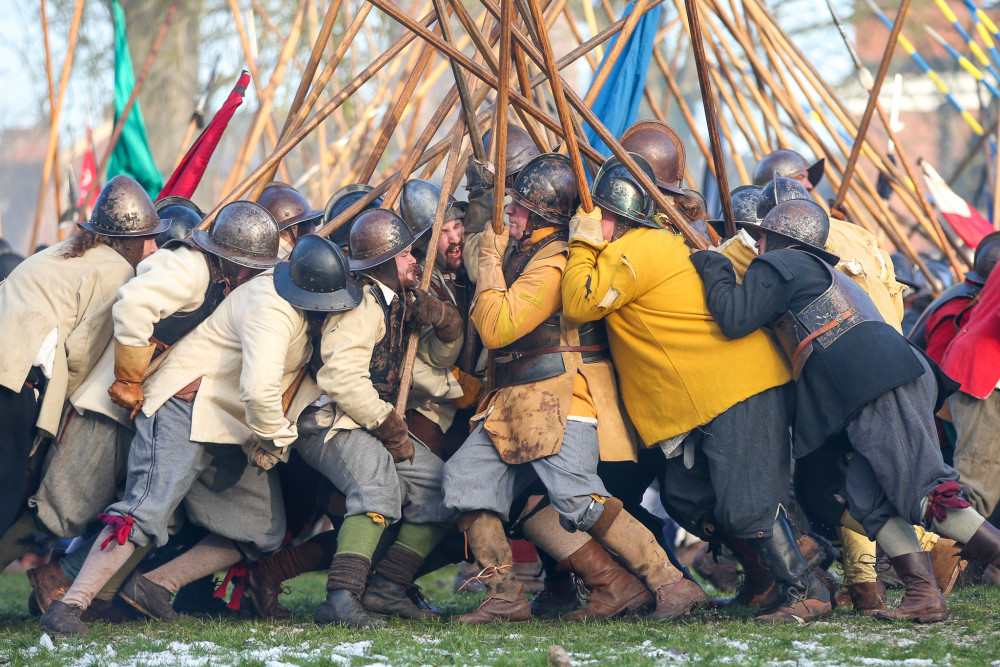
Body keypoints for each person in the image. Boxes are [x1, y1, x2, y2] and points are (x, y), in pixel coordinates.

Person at [690, 198, 1000, 623]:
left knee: (926, 492)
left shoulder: (783, 262)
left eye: (762, 236)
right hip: (877, 383)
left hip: (878, 381)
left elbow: (733, 317)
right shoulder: (814, 270)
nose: (755, 243)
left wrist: (713, 264)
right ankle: (922, 595)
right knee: (870, 501)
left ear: (781, 238)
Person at [562, 155, 830, 624]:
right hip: (702, 400)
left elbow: (581, 301)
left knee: (746, 503)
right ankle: (776, 567)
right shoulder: (643, 246)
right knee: (686, 496)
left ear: (616, 216)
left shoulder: (641, 246)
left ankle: (806, 588)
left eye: (596, 213)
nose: (588, 220)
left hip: (734, 388)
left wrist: (583, 240)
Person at [38, 203, 322, 635]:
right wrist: (130, 375)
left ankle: (153, 586)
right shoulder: (248, 292)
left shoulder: (266, 289)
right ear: (228, 257)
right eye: (245, 264)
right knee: (145, 509)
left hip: (226, 421)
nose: (250, 273)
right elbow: (259, 388)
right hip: (182, 405)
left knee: (261, 528)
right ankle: (69, 604)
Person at [442, 152, 700, 624]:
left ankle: (670, 582)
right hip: (511, 404)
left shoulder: (555, 261)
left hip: (558, 398)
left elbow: (497, 327)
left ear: (542, 216)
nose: (510, 214)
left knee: (577, 499)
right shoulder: (524, 251)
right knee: (466, 480)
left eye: (519, 206)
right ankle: (507, 595)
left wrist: (489, 258)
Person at [295, 208, 464, 628]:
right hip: (331, 421)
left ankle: (388, 589)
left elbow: (435, 364)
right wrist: (390, 427)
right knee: (376, 485)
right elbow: (340, 377)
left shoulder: (397, 302)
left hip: (364, 421)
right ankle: (340, 600)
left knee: (439, 492)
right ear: (386, 262)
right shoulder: (360, 303)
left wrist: (444, 321)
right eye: (406, 255)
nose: (414, 262)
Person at [0, 175, 166, 541]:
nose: (154, 249)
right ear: (127, 242)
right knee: (3, 493)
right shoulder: (118, 272)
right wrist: (58, 419)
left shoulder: (62, 252)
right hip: (13, 383)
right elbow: (80, 356)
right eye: (147, 239)